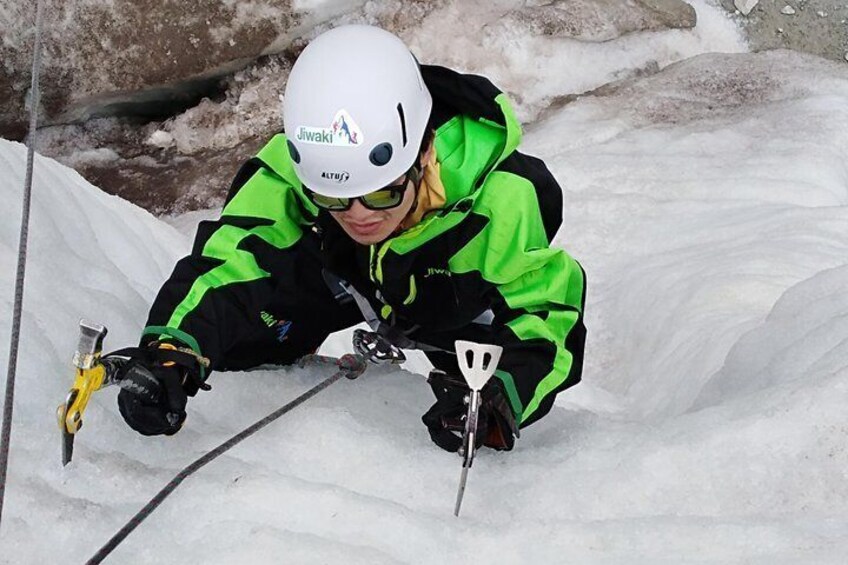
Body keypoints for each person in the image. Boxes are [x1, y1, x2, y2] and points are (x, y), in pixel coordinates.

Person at [114, 24, 587, 453]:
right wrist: (173, 349)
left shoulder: (499, 203)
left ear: (423, 154)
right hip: (352, 279)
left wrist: (502, 394)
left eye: (381, 192)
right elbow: (232, 257)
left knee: (491, 387)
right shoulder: (294, 171)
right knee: (242, 340)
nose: (359, 216)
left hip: (454, 300)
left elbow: (549, 313)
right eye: (332, 195)